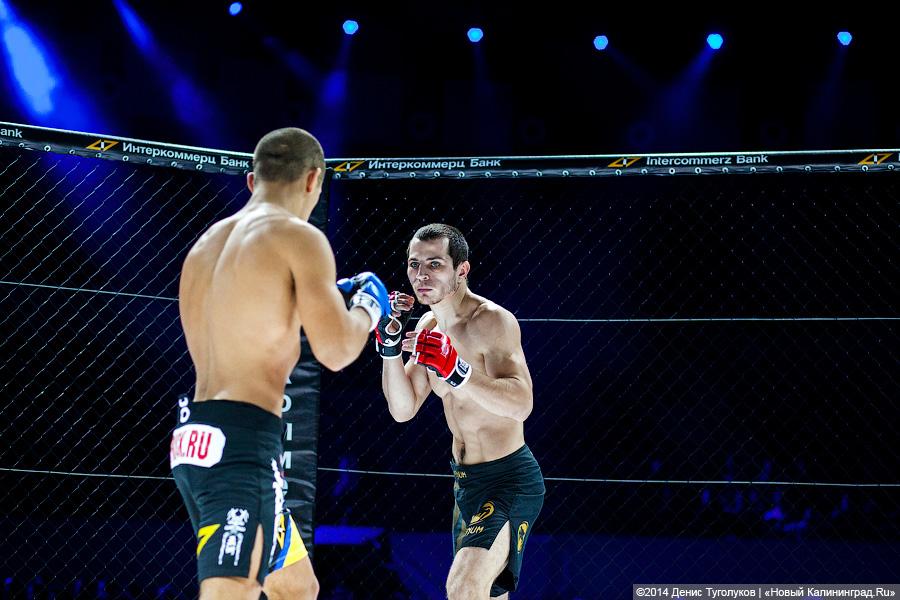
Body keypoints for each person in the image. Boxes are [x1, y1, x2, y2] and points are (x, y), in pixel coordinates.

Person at [171, 127, 390, 599]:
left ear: (252, 181)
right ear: (314, 180)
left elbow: (246, 325)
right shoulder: (299, 238)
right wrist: (368, 309)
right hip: (243, 443)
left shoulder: (206, 245)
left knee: (297, 587)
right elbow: (336, 350)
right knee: (232, 591)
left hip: (195, 435)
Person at [376, 223, 544, 599]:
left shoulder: (491, 321)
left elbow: (522, 404)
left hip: (508, 479)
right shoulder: (428, 325)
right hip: (466, 483)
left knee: (463, 586)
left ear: (462, 269)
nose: (422, 275)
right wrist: (389, 349)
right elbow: (403, 409)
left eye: (435, 264)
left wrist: (458, 371)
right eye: (414, 264)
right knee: (483, 593)